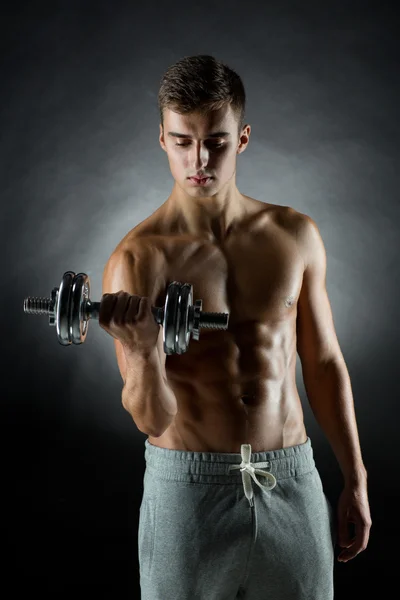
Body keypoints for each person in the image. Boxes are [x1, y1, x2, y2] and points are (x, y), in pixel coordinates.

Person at [99, 55, 372, 600]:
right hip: (189, 490)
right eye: (182, 141)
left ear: (242, 138)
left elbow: (322, 363)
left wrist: (355, 477)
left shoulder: (294, 235)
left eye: (216, 142)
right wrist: (147, 352)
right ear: (162, 140)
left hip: (291, 478)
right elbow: (151, 418)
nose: (199, 159)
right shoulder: (138, 260)